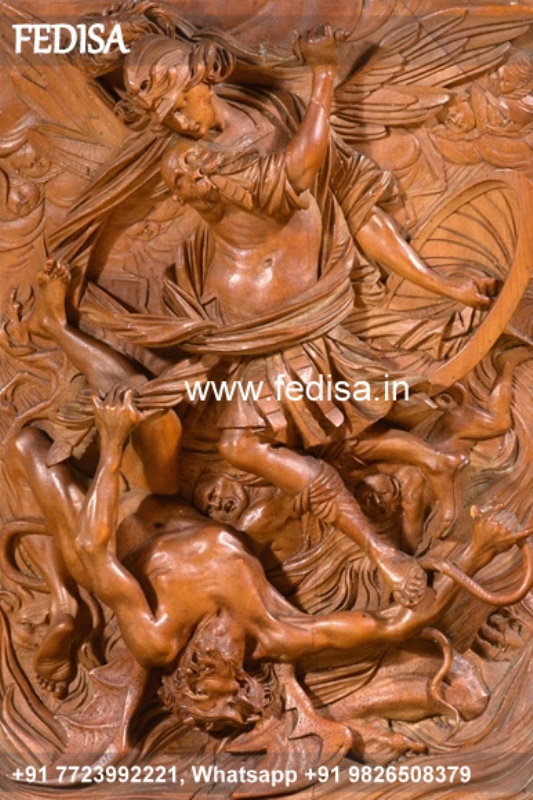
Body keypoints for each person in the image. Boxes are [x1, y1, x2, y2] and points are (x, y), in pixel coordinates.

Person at [7, 382, 529, 732]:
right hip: (160, 499)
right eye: (222, 669)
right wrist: (477, 551)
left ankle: (64, 603)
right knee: (145, 406)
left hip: (100, 524)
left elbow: (93, 549)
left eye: (199, 669)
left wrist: (113, 441)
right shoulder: (280, 632)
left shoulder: (156, 637)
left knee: (27, 444)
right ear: (247, 678)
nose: (211, 652)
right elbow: (398, 625)